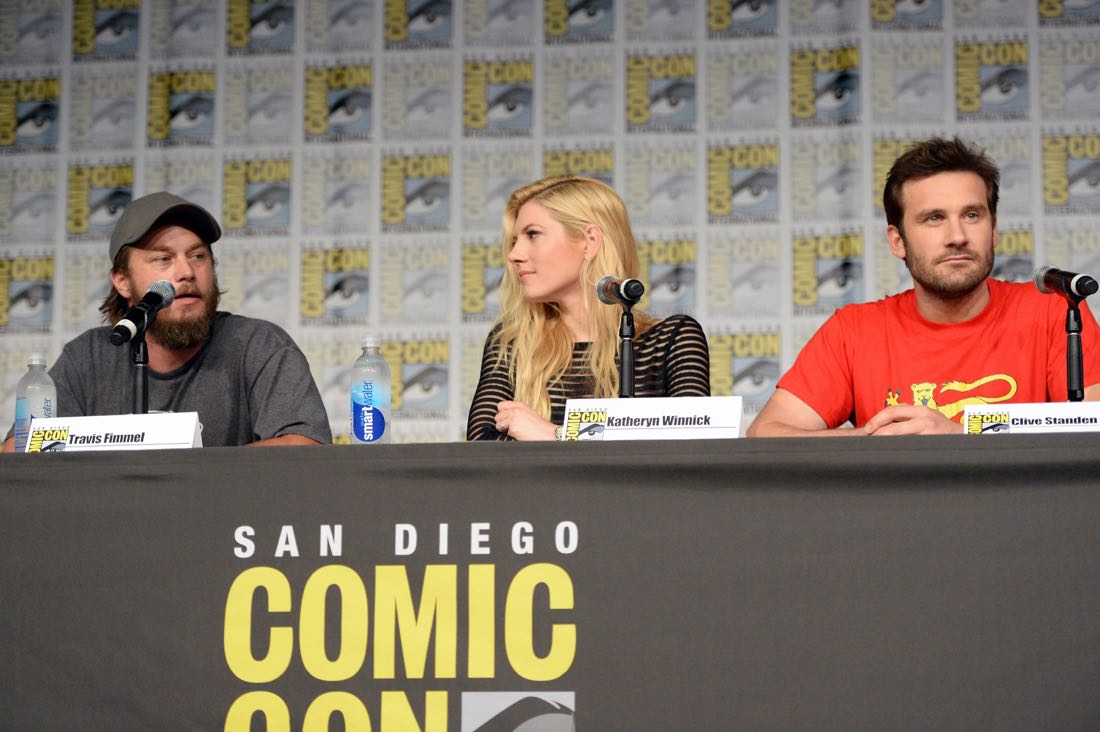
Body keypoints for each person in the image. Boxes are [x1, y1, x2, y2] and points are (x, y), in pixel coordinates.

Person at [748, 136, 1100, 437]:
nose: (957, 237)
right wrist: (877, 438)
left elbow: (1092, 430)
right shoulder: (855, 331)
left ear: (994, 231)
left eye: (972, 215)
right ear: (897, 240)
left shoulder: (1056, 310)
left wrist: (960, 432)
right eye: (934, 219)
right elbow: (766, 433)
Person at [3, 191, 331, 449]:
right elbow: (20, 454)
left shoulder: (258, 346)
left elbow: (303, 448)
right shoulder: (87, 358)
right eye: (163, 259)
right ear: (122, 280)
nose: (186, 272)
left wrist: (187, 476)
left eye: (198, 256)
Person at [466, 175, 710, 441]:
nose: (515, 254)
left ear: (590, 241)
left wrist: (555, 435)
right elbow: (482, 445)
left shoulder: (671, 340)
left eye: (533, 234)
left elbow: (691, 444)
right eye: (515, 240)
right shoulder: (511, 343)